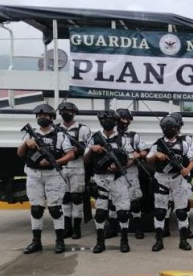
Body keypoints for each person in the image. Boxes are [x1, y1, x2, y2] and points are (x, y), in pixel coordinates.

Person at [17, 104, 75, 254]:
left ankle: (60, 241)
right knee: (36, 209)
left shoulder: (60, 135)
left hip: (53, 175)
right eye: (39, 116)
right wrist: (26, 143)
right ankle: (36, 242)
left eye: (45, 115)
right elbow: (20, 153)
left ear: (52, 118)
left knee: (55, 209)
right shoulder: (31, 134)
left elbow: (70, 154)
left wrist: (55, 162)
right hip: (34, 174)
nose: (42, 118)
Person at [84, 109, 132, 254]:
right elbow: (85, 159)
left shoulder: (122, 139)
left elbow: (131, 158)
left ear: (116, 121)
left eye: (110, 119)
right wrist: (91, 149)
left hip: (118, 179)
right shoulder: (94, 138)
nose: (107, 122)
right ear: (100, 121)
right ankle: (100, 242)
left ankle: (124, 241)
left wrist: (121, 166)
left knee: (123, 212)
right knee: (100, 213)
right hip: (101, 178)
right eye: (104, 120)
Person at [147, 115, 193, 251]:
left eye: (172, 128)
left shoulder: (183, 144)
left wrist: (187, 169)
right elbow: (148, 159)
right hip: (161, 179)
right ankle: (158, 241)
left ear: (176, 128)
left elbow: (192, 159)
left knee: (181, 211)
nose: (169, 130)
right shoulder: (157, 144)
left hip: (178, 179)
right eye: (166, 128)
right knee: (160, 211)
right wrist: (156, 155)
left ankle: (183, 241)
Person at [56, 101, 91, 240]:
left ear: (74, 113)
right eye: (63, 111)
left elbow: (89, 149)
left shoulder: (83, 129)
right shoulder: (56, 129)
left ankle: (77, 228)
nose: (66, 114)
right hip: (61, 167)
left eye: (69, 111)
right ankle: (67, 228)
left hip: (77, 166)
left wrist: (80, 150)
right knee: (64, 198)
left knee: (76, 198)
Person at [116, 108, 150, 239]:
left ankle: (138, 228)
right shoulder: (108, 135)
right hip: (113, 173)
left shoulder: (133, 136)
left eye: (127, 120)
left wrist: (138, 154)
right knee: (113, 202)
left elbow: (144, 151)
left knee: (135, 202)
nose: (124, 122)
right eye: (122, 119)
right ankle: (113, 228)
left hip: (130, 172)